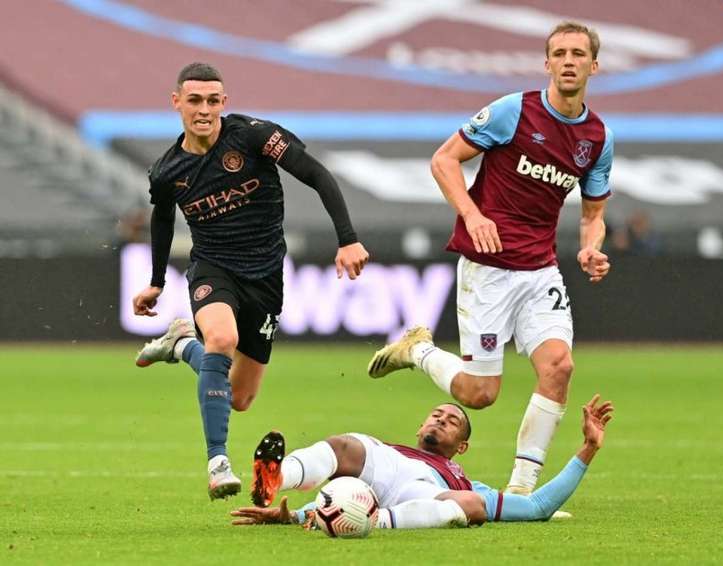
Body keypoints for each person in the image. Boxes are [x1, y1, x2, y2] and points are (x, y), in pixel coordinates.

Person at [366, 21, 614, 496]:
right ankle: (417, 350)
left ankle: (521, 493)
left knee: (559, 367)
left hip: (541, 271)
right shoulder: (512, 112)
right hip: (488, 269)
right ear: (546, 64)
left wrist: (590, 247)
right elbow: (443, 160)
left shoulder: (598, 138)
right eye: (558, 53)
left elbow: (593, 213)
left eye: (577, 54)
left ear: (593, 66)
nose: (568, 61)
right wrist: (472, 215)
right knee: (480, 395)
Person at [131, 63, 369, 500]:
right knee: (222, 337)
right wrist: (157, 281)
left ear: (225, 102)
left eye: (213, 100)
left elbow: (317, 175)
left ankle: (182, 344)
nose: (204, 109)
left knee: (240, 399)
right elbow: (163, 217)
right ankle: (218, 462)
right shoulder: (167, 171)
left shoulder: (255, 136)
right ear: (176, 102)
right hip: (212, 269)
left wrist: (347, 240)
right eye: (195, 100)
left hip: (266, 276)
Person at [231, 395, 613, 529]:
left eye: (453, 421)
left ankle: (376, 522)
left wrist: (588, 449)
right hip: (385, 469)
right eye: (436, 415)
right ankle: (278, 477)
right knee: (346, 444)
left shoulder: (463, 482)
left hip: (426, 493)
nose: (441, 419)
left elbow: (537, 507)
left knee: (466, 508)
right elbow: (344, 494)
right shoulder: (389, 451)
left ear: (461, 447)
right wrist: (293, 515)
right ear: (420, 426)